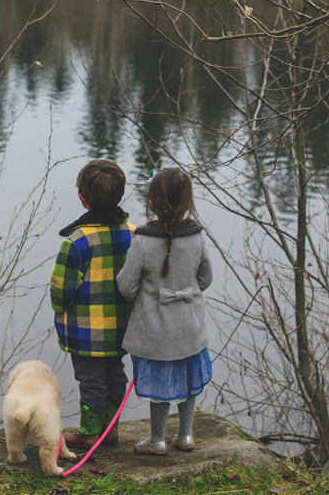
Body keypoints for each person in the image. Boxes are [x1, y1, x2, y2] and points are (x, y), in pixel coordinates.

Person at [117, 167, 213, 455]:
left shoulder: (142, 242)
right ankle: (185, 435)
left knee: (160, 386)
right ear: (188, 202)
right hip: (190, 328)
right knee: (188, 380)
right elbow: (206, 278)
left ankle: (157, 439)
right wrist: (187, 292)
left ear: (151, 202)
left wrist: (142, 298)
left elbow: (125, 284)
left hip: (156, 331)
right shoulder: (197, 237)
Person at [50, 159, 135, 447]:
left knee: (91, 381)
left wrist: (59, 307)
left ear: (82, 198)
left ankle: (90, 432)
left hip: (86, 332)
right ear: (120, 195)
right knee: (116, 375)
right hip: (123, 327)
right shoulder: (134, 234)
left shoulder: (77, 241)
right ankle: (111, 429)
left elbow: (62, 288)